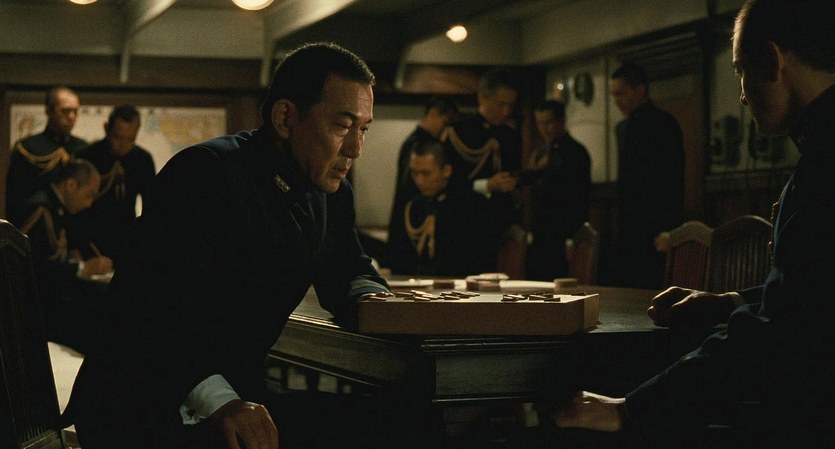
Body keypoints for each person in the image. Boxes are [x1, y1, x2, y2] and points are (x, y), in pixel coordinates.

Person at [65, 42, 409, 449]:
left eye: (363, 129)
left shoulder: (330, 193)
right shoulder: (204, 174)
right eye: (342, 126)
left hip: (236, 394)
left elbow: (348, 269)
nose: (355, 149)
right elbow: (150, 310)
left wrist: (373, 299)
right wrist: (220, 401)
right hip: (138, 400)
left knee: (389, 421)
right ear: (285, 118)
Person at [555, 1, 835, 447]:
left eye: (741, 71)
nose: (741, 95)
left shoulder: (823, 169)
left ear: (773, 60)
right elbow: (812, 293)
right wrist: (729, 301)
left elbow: (781, 333)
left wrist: (631, 409)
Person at [16, 159, 113, 353]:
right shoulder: (40, 209)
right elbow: (30, 267)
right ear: (71, 184)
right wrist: (81, 268)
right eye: (89, 195)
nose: (89, 204)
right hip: (37, 308)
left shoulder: (57, 208)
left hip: (53, 298)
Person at [610, 62, 684, 289]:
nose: (616, 101)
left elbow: (672, 179)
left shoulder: (664, 124)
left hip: (655, 224)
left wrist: (668, 229)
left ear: (640, 90)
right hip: (628, 224)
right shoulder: (622, 128)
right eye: (613, 95)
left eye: (621, 94)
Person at [441, 68, 523, 272]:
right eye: (501, 104)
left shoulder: (511, 135)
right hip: (464, 226)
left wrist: (514, 183)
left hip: (501, 226)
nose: (506, 112)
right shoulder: (459, 131)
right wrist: (486, 185)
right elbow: (448, 184)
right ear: (483, 98)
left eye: (510, 106)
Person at [386, 140, 491, 277]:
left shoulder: (472, 206)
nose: (419, 181)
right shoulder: (414, 207)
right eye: (414, 173)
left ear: (446, 171)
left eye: (426, 173)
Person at [68, 105, 156, 266]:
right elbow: (73, 208)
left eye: (130, 139)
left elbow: (151, 206)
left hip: (127, 241)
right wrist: (74, 245)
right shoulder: (87, 156)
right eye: (118, 137)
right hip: (90, 241)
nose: (123, 145)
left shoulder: (142, 160)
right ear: (107, 128)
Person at [523, 100, 591, 281]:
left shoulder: (576, 153)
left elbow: (580, 197)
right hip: (540, 232)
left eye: (549, 122)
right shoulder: (540, 152)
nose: (545, 129)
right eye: (540, 123)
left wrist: (573, 237)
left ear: (561, 121)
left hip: (563, 232)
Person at [5, 86, 87, 221]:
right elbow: (15, 199)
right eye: (65, 111)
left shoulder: (83, 148)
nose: (71, 116)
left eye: (75, 111)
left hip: (77, 224)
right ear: (49, 111)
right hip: (38, 224)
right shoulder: (28, 148)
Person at [389, 96, 459, 231]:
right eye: (445, 122)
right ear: (432, 114)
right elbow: (409, 187)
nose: (446, 129)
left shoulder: (415, 141)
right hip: (413, 216)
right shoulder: (419, 145)